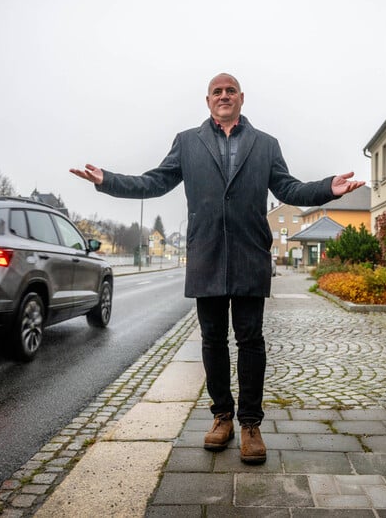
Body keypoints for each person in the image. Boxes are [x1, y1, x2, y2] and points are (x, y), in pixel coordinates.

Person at [70, 72, 364, 464]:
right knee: (212, 341)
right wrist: (107, 181)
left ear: (242, 98)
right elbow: (155, 182)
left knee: (250, 341)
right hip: (206, 254)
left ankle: (250, 425)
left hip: (248, 255)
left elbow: (289, 190)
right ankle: (221, 417)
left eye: (230, 91)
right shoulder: (188, 142)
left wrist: (329, 188)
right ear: (207, 101)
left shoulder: (266, 145)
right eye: (217, 92)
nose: (224, 96)